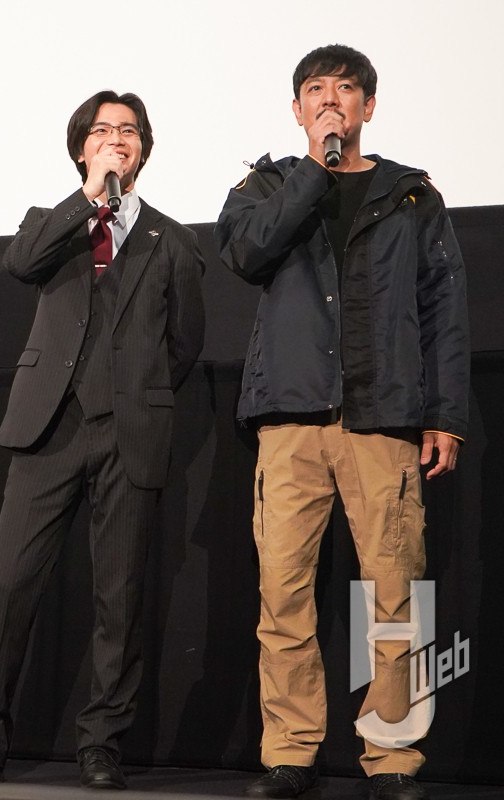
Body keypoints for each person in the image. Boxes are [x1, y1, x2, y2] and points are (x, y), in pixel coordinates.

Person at [216, 44, 469, 800]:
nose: (331, 100)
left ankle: (392, 755)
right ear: (297, 109)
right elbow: (246, 252)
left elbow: (444, 309)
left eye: (346, 89)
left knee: (395, 592)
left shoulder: (412, 196)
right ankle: (290, 752)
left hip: (383, 415)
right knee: (283, 593)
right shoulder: (265, 187)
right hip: (290, 418)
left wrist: (444, 415)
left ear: (369, 106)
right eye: (316, 90)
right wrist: (312, 172)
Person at [0, 90, 205, 790]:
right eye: (103, 130)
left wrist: (135, 392)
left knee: (120, 594)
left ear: (143, 148)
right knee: (8, 582)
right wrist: (87, 199)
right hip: (47, 425)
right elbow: (20, 262)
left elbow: (184, 345)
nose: (117, 139)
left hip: (129, 431)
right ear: (82, 148)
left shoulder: (173, 241)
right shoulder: (52, 224)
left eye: (129, 131)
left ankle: (102, 745)